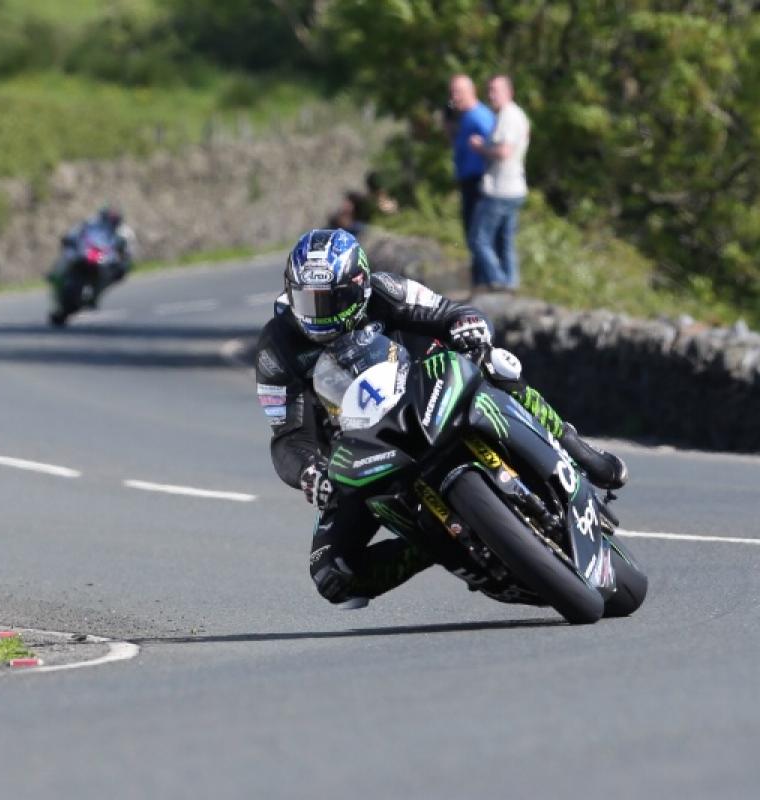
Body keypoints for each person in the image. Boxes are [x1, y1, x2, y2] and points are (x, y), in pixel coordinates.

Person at [255, 228, 628, 608]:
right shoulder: (277, 349)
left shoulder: (386, 290)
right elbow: (288, 435)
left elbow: (450, 312)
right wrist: (309, 472)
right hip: (361, 448)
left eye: (334, 299)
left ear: (360, 285)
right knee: (331, 573)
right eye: (310, 301)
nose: (322, 313)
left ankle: (576, 450)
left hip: (427, 390)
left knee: (498, 364)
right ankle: (434, 542)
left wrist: (469, 329)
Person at [468, 75, 531, 291]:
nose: (491, 95)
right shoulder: (509, 115)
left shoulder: (509, 116)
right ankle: (511, 283)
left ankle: (500, 282)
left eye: (496, 90)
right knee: (505, 241)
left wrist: (480, 148)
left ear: (509, 92)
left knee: (479, 239)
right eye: (489, 90)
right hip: (511, 188)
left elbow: (504, 151)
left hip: (501, 189)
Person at [445, 74, 496, 287]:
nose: (454, 97)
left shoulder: (479, 116)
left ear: (471, 91)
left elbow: (494, 144)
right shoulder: (464, 118)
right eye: (452, 92)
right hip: (467, 180)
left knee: (479, 233)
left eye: (459, 92)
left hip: (479, 181)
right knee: (470, 232)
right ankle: (479, 281)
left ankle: (490, 280)